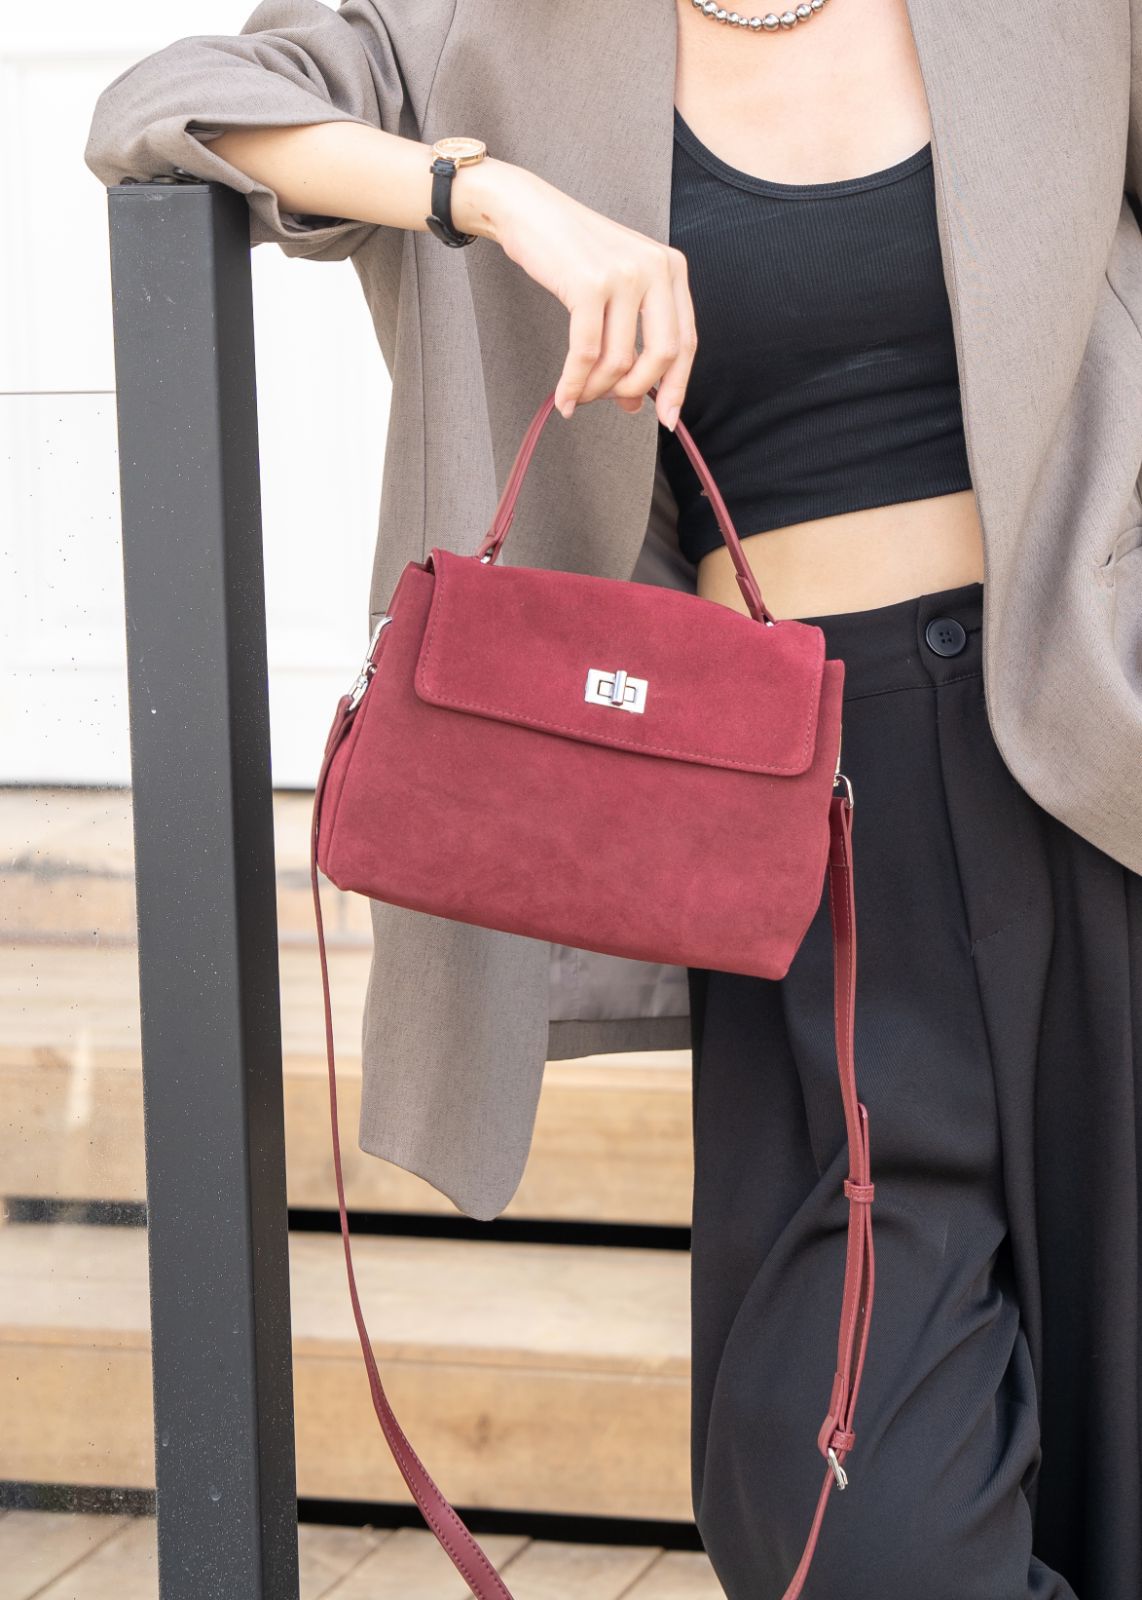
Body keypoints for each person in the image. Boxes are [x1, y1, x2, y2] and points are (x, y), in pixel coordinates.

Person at [86, 2, 1142, 1594]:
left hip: (1092, 756)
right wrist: (493, 195)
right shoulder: (489, 24)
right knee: (857, 1524)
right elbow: (164, 103)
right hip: (802, 828)